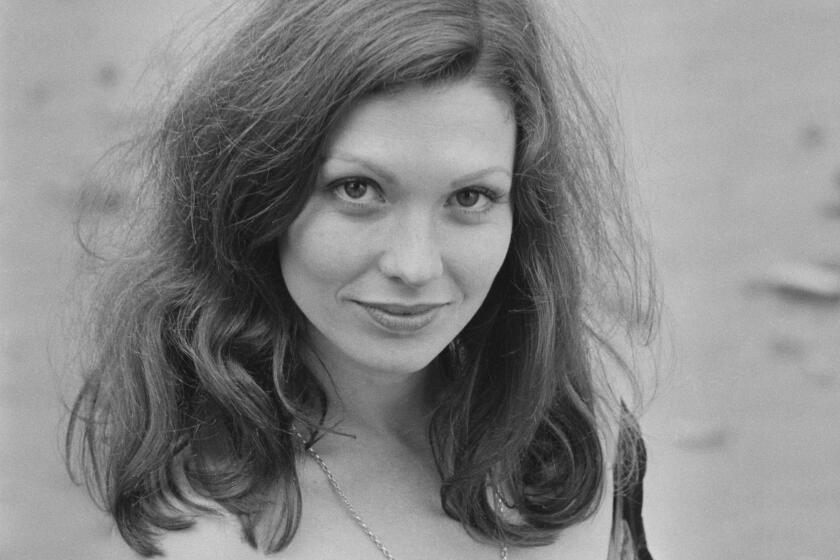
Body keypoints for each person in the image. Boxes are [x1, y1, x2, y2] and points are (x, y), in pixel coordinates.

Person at [66, 0, 658, 558]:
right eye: (359, 190)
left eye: (470, 196)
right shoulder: (208, 532)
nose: (415, 264)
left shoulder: (581, 435)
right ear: (255, 192)